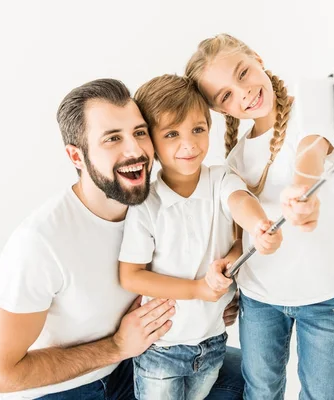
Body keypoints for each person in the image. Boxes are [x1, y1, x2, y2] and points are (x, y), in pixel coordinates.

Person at [0, 78, 245, 400]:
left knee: (245, 374)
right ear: (76, 156)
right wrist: (116, 346)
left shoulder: (154, 207)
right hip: (64, 388)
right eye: (112, 139)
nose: (134, 150)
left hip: (130, 364)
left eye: (139, 133)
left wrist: (215, 300)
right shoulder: (40, 242)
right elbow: (0, 375)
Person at [185, 34, 334, 400]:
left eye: (243, 73)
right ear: (220, 111)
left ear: (257, 58)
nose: (243, 93)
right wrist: (228, 267)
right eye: (226, 96)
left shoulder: (311, 111)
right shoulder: (235, 160)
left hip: (326, 297)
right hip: (260, 299)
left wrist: (300, 190)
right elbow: (239, 238)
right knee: (261, 392)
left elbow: (309, 154)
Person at [118, 75, 283, 399]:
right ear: (150, 141)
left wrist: (257, 226)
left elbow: (240, 203)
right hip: (161, 349)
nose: (189, 144)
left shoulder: (220, 178)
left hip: (211, 344)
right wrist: (197, 289)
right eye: (171, 134)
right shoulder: (147, 205)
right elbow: (131, 276)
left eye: (198, 129)